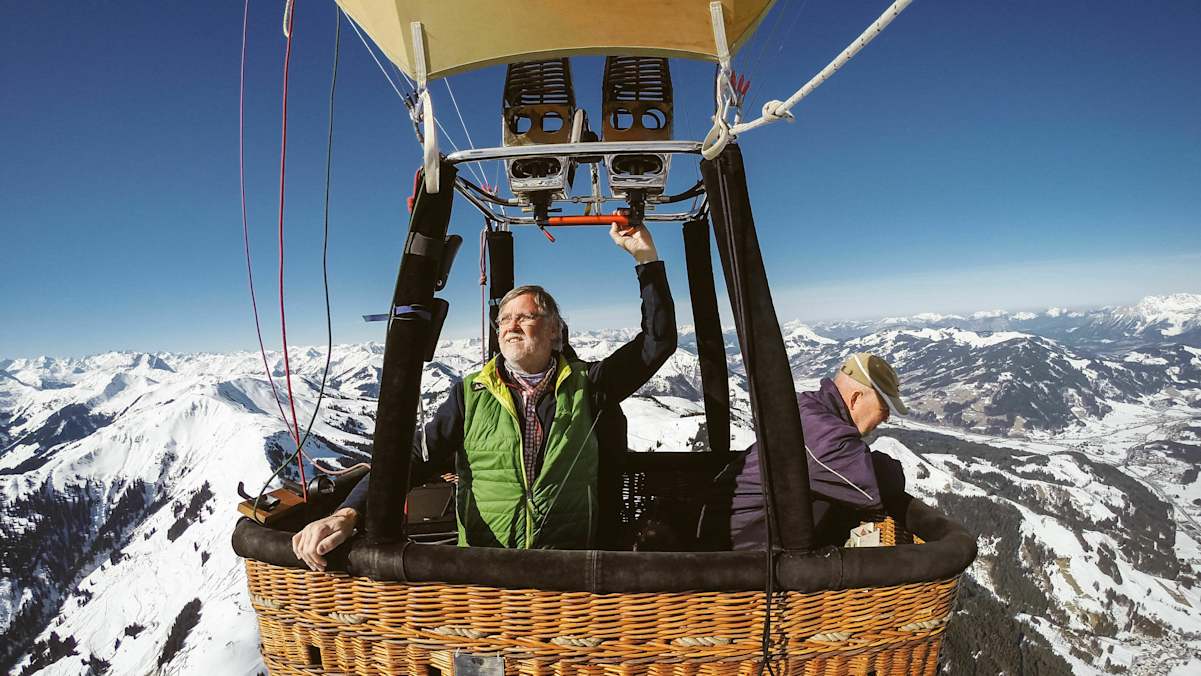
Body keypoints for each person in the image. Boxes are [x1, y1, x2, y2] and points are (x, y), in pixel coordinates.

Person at [292, 224, 676, 570]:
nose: (511, 325)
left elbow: (657, 342)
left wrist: (645, 258)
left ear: (555, 331)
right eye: (504, 319)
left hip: (570, 568)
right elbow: (409, 458)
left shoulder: (589, 384)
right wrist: (348, 512)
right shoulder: (469, 395)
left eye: (526, 317)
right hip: (484, 570)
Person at [708, 352, 909, 550]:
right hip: (738, 552)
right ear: (856, 399)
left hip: (737, 533)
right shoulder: (823, 435)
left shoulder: (809, 408)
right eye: (884, 408)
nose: (887, 418)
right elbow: (878, 486)